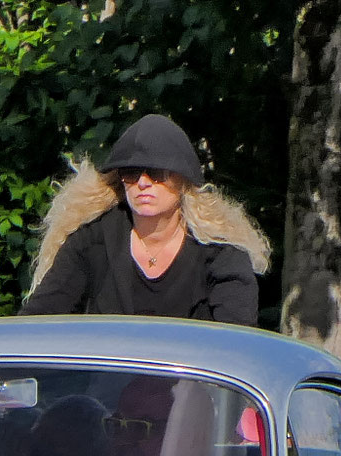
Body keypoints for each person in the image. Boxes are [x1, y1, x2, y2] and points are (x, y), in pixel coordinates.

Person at [20, 114, 270, 325]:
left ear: (183, 180)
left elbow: (238, 344)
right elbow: (34, 324)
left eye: (157, 173)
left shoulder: (221, 253)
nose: (142, 183)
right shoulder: (91, 241)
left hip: (191, 381)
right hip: (107, 381)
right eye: (131, 172)